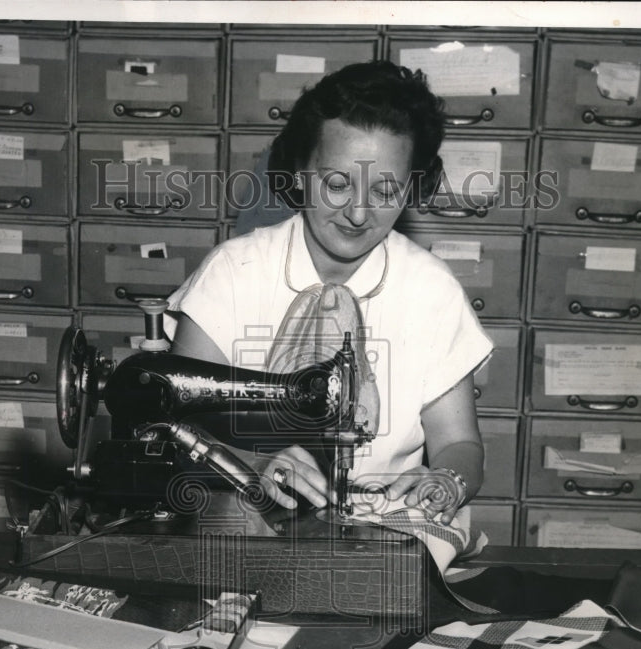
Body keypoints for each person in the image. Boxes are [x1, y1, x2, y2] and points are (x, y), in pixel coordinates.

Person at [167, 60, 493, 526]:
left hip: (387, 521)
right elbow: (184, 425)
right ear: (300, 170)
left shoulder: (431, 289)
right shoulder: (233, 274)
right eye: (337, 184)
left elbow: (460, 444)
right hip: (245, 505)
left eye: (385, 191)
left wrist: (447, 480)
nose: (358, 214)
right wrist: (254, 464)